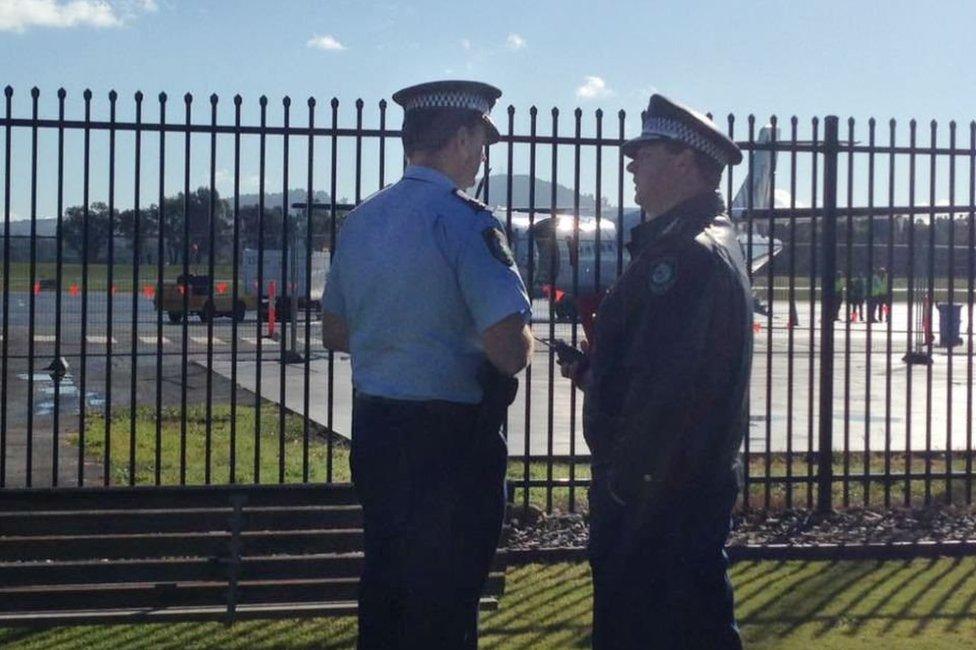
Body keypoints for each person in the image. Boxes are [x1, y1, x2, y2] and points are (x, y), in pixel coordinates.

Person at [320, 80, 533, 649]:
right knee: (445, 604)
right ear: (462, 139)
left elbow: (335, 332)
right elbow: (509, 350)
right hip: (451, 443)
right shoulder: (466, 222)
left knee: (387, 590)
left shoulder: (361, 221)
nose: (483, 157)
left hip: (378, 432)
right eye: (482, 142)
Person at [560, 93, 750, 649]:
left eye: (645, 152)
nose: (631, 164)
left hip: (657, 498)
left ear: (685, 161)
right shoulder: (696, 243)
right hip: (678, 488)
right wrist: (598, 373)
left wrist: (627, 484)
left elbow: (670, 391)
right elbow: (663, 367)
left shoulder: (683, 255)